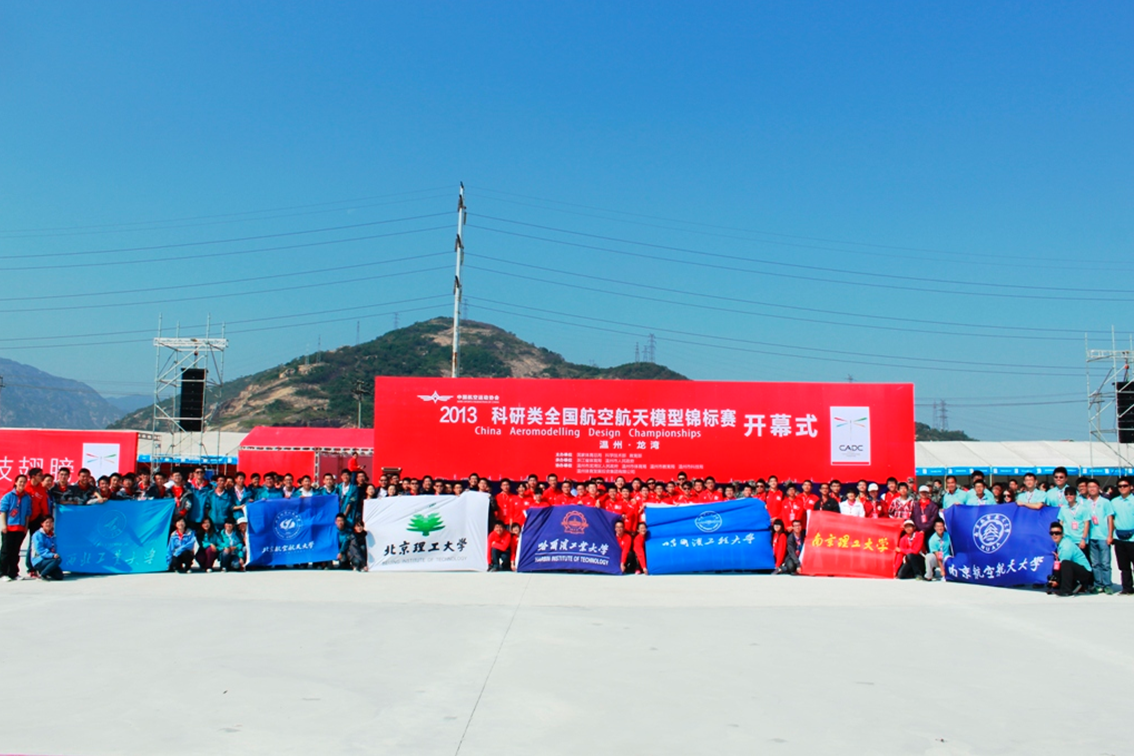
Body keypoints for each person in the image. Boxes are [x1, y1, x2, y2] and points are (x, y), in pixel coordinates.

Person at [1083, 479, 1115, 594]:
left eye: (1094, 487)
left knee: (1105, 563)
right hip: (1092, 537)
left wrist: (1110, 535)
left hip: (1103, 536)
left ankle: (1107, 584)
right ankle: (1098, 584)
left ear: (1099, 488)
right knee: (1095, 563)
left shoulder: (1105, 502)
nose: (1092, 489)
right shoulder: (1086, 503)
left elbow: (1110, 519)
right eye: (1089, 487)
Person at [0, 474, 32, 580]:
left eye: (24, 482)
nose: (22, 484)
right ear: (15, 482)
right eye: (20, 481)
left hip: (20, 527)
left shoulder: (27, 497)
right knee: (6, 551)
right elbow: (3, 511)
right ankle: (3, 573)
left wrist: (26, 526)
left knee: (15, 551)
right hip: (9, 527)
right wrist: (3, 525)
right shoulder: (8, 496)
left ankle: (13, 573)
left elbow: (28, 513)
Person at [1048, 522, 1093, 596]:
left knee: (1064, 564)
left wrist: (1057, 580)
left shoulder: (1066, 546)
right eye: (1052, 533)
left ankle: (1066, 590)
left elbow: (1063, 566)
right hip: (1074, 568)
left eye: (1057, 533)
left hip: (1084, 571)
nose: (1054, 535)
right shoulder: (1059, 543)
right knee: (1057, 565)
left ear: (1062, 534)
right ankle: (1074, 585)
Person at [1109, 476, 1134, 594]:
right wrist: (1110, 535)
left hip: (1132, 537)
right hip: (1119, 536)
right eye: (1120, 486)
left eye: (1125, 486)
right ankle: (1127, 587)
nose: (1122, 488)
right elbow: (1111, 519)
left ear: (1131, 487)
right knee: (1123, 565)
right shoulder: (1114, 502)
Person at [29, 515, 64, 581]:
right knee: (58, 560)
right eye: (47, 522)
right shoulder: (37, 535)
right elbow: (40, 550)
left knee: (59, 576)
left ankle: (44, 570)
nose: (49, 524)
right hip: (39, 560)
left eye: (51, 522)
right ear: (42, 524)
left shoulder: (52, 535)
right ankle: (43, 574)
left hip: (48, 560)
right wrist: (52, 555)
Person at [1058, 485, 1091, 552]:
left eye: (1071, 494)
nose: (1068, 496)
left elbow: (1086, 524)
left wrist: (1083, 539)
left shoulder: (1083, 509)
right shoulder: (1063, 508)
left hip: (1079, 540)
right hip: (1067, 540)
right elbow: (1061, 522)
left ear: (1076, 495)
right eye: (1066, 494)